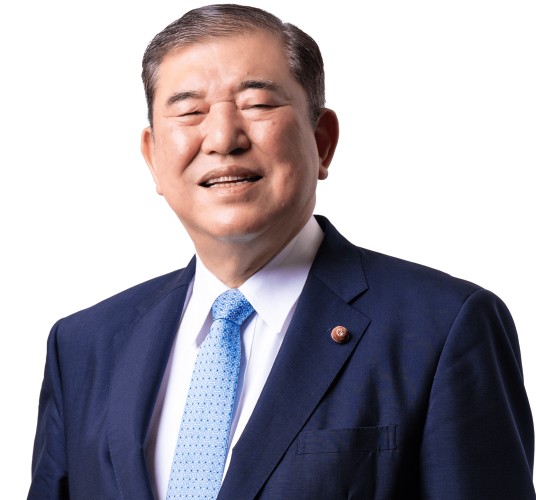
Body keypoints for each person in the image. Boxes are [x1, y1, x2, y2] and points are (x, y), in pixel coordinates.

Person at [28, 4, 535, 499]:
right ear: (153, 157)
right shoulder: (84, 346)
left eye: (257, 104)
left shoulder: (444, 327)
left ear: (322, 142)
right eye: (189, 111)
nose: (223, 138)